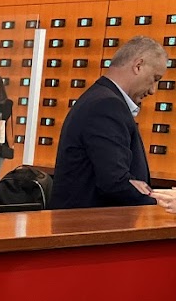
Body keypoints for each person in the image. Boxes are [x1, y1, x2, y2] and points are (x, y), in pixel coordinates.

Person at [50, 37, 167, 209]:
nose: (153, 90)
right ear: (138, 66)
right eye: (155, 78)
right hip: (87, 228)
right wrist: (163, 201)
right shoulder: (106, 105)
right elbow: (115, 182)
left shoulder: (100, 97)